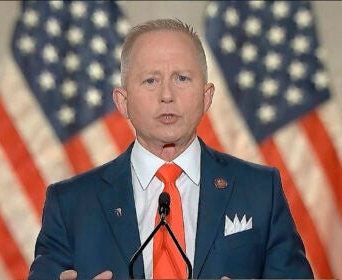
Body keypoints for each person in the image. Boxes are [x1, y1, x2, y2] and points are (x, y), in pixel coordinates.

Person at [29, 18, 313, 279]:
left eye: (181, 78)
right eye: (150, 80)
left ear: (207, 97)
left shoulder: (261, 191)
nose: (167, 95)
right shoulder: (69, 204)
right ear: (122, 102)